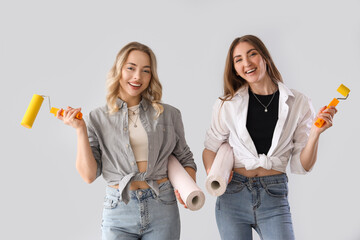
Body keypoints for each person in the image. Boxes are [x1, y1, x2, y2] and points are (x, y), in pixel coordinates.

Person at [57, 42, 197, 240]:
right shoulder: (97, 118)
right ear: (118, 70)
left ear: (151, 76)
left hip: (162, 206)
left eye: (145, 71)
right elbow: (88, 175)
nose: (137, 77)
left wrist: (187, 189)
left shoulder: (169, 114)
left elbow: (185, 158)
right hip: (119, 209)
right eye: (131, 68)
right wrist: (80, 130)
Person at [202, 35, 337, 240]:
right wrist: (215, 174)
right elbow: (211, 147)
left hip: (273, 194)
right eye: (238, 60)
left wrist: (315, 135)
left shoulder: (298, 102)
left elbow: (303, 165)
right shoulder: (226, 104)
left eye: (252, 54)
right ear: (235, 69)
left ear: (264, 57)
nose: (246, 63)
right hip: (233, 195)